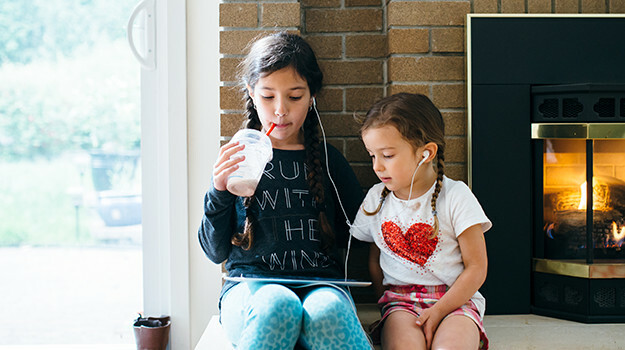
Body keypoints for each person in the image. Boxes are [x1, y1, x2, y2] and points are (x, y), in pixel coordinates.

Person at [198, 32, 372, 350]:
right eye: (268, 96)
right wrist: (218, 190)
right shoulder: (238, 159)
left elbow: (360, 237)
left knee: (327, 311)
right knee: (277, 304)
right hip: (251, 289)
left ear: (312, 96)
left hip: (322, 285)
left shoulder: (328, 161)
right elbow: (215, 252)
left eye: (294, 97)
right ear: (251, 92)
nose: (280, 110)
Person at [350, 93, 492, 350]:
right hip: (400, 303)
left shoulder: (457, 196)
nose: (377, 167)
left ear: (425, 153)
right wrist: (386, 303)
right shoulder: (376, 199)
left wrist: (438, 311)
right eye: (372, 156)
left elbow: (477, 267)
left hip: (454, 300)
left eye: (387, 156)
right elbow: (375, 258)